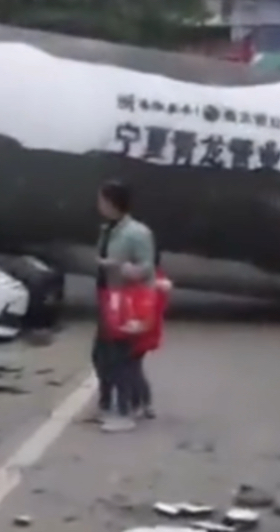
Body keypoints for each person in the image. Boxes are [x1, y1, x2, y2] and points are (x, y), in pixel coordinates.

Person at [92, 180, 156, 433]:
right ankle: (126, 402)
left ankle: (125, 411)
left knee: (122, 358)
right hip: (109, 299)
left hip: (129, 303)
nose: (98, 204)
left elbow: (147, 267)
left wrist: (123, 268)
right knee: (102, 355)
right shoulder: (109, 229)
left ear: (112, 203)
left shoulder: (138, 233)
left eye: (101, 200)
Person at [131, 249, 171, 419]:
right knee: (133, 367)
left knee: (131, 369)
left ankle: (140, 403)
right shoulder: (158, 281)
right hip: (147, 331)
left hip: (138, 331)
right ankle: (143, 404)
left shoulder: (149, 283)